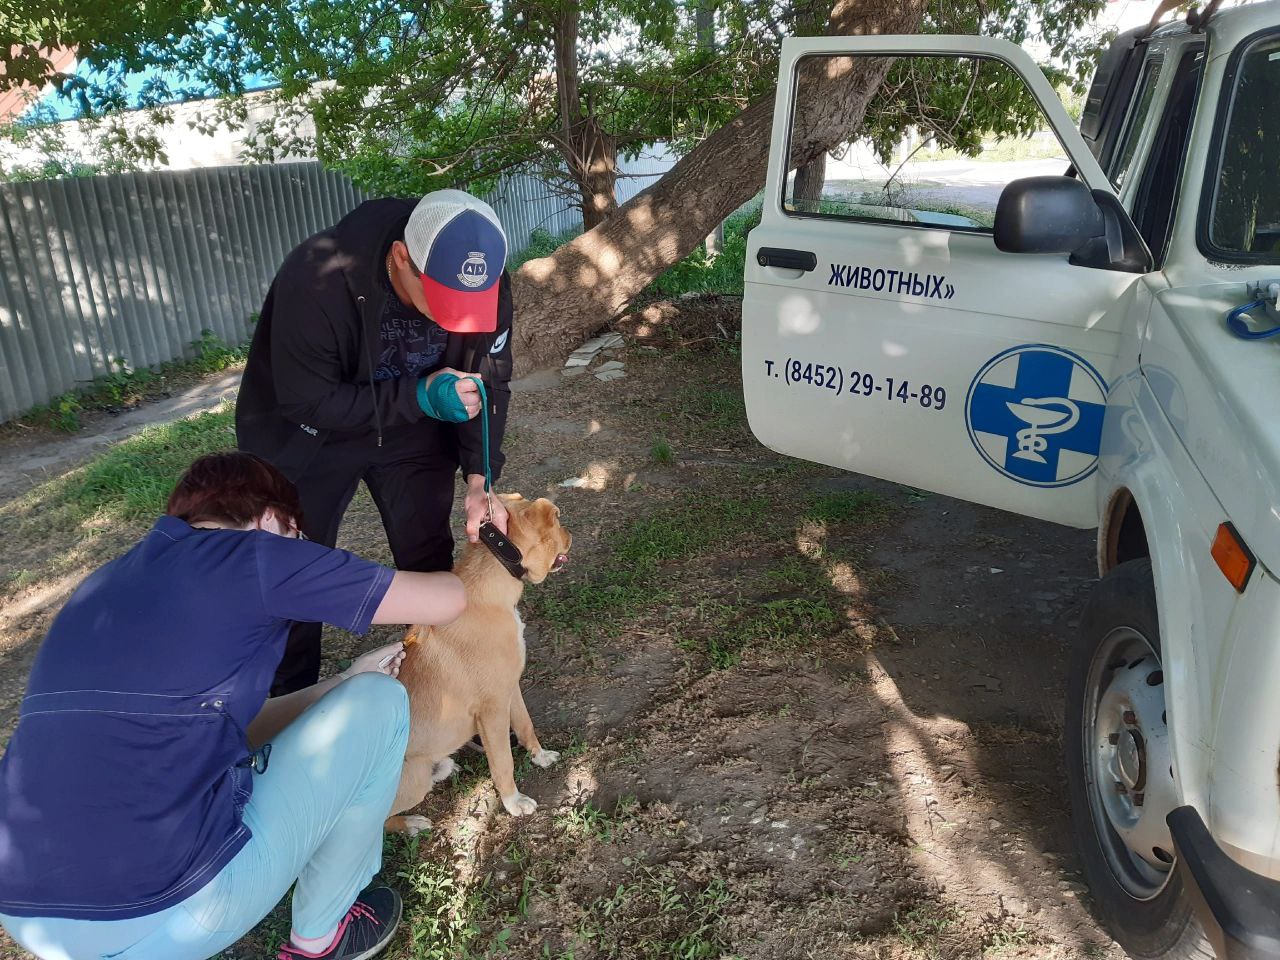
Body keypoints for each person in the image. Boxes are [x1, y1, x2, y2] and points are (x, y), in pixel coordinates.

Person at [0, 452, 465, 960]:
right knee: (380, 702)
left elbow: (223, 730)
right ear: (270, 520)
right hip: (158, 915)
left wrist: (344, 680)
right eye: (298, 535)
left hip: (28, 912)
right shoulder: (257, 555)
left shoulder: (101, 585)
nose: (302, 549)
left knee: (360, 690)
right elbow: (447, 600)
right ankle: (322, 939)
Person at [236, 188, 514, 696]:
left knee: (428, 551)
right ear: (401, 258)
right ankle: (285, 704)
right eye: (443, 302)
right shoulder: (316, 276)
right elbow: (305, 400)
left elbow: (488, 380)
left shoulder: (484, 276)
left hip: (414, 427)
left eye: (468, 306)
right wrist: (418, 395)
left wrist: (481, 476)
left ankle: (445, 689)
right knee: (297, 568)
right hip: (312, 438)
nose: (453, 320)